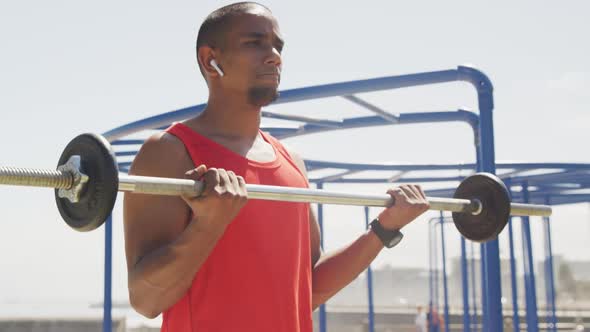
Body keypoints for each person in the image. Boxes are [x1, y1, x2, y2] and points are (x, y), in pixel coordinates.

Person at [123, 2, 430, 331]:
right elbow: (146, 300)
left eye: (277, 46)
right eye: (254, 43)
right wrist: (208, 225)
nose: (274, 56)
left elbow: (308, 287)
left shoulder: (291, 162)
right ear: (210, 60)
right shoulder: (170, 152)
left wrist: (384, 228)